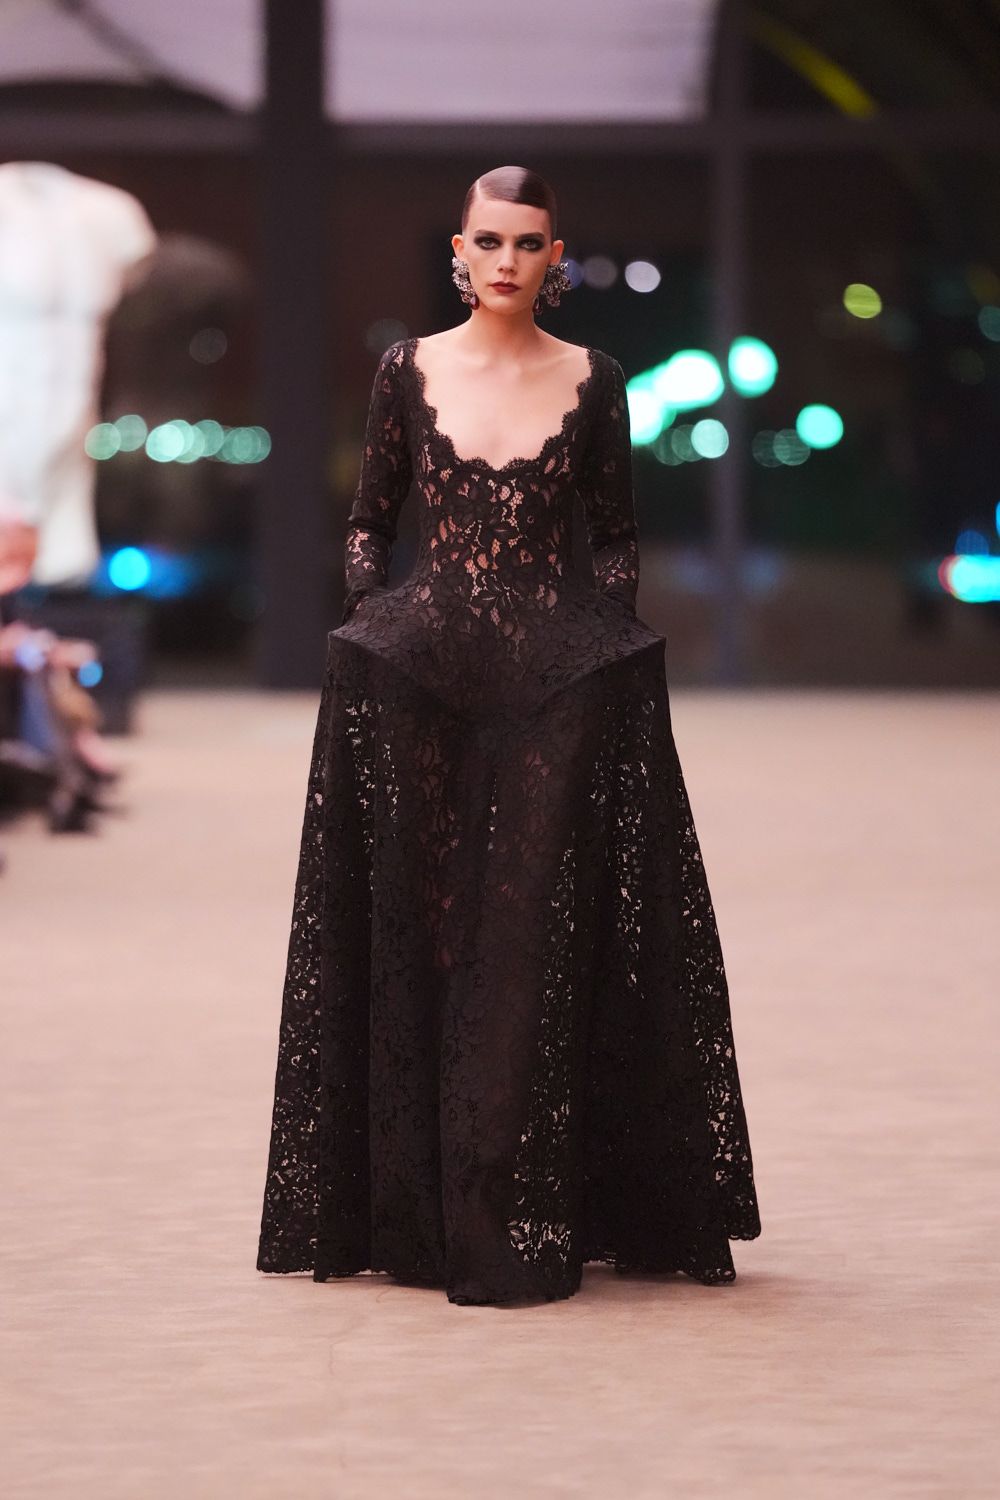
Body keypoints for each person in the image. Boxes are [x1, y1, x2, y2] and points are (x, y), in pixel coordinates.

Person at [256, 166, 761, 1306]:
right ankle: (424, 1215)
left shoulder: (595, 379)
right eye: (487, 241)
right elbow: (368, 523)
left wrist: (603, 642)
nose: (505, 261)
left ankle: (512, 1212)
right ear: (459, 251)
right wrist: (371, 629)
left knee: (534, 937)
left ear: (554, 259)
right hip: (422, 682)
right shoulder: (407, 370)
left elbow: (615, 537)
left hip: (556, 688)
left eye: (527, 244)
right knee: (430, 933)